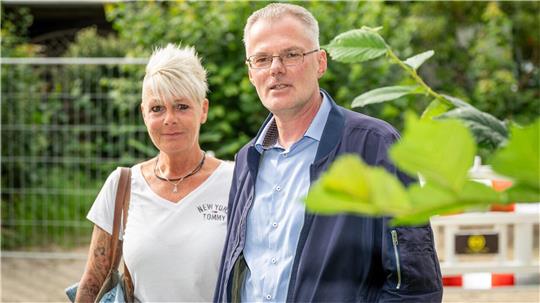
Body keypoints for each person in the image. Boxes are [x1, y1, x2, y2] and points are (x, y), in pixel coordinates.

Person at [214, 3, 442, 302]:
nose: (275, 68)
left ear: (320, 62)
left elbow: (415, 285)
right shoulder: (248, 159)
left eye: (291, 54)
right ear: (250, 73)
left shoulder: (374, 146)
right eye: (262, 58)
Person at [76, 44, 234, 302]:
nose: (169, 119)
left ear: (203, 110)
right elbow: (92, 283)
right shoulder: (122, 186)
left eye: (181, 106)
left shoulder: (235, 181)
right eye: (157, 109)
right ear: (143, 114)